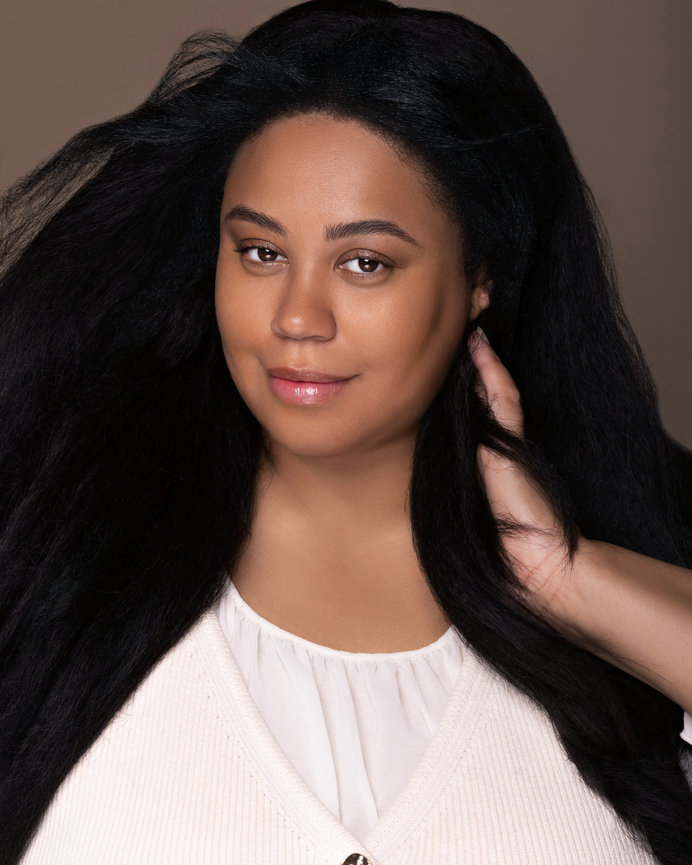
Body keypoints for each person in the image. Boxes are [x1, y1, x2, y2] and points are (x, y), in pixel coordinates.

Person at [1, 0, 690, 862]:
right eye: (261, 252)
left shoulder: (634, 601)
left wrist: (568, 581)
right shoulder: (39, 556)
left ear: (480, 277)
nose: (298, 317)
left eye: (365, 262)